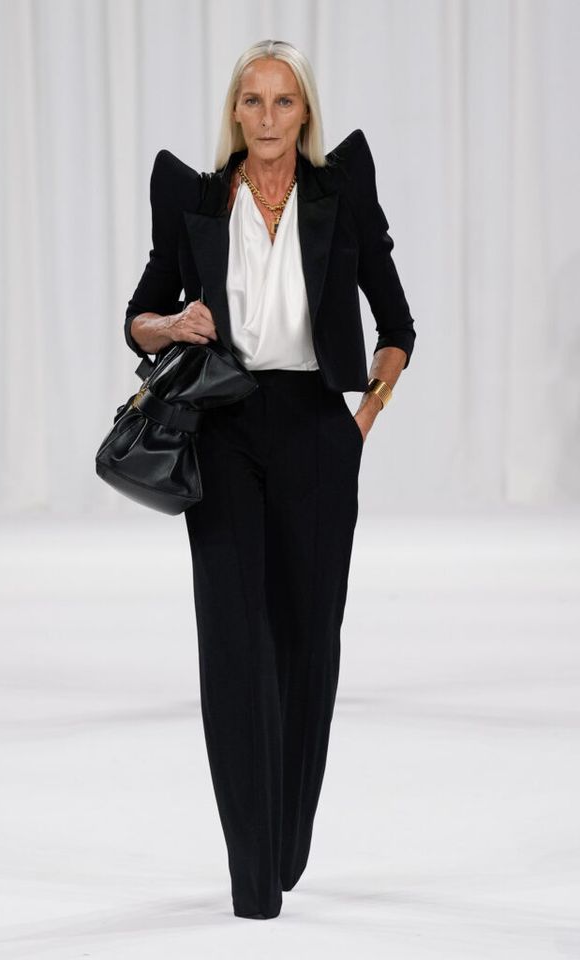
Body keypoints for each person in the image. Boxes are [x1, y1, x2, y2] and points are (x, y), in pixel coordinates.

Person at [124, 39, 416, 921]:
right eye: (251, 101)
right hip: (223, 426)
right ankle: (252, 875)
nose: (266, 117)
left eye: (283, 102)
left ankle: (288, 838)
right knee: (233, 643)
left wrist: (361, 421)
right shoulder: (199, 200)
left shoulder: (338, 195)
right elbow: (137, 319)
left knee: (308, 639)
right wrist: (175, 324)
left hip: (317, 429)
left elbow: (396, 326)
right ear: (234, 112)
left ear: (305, 113)